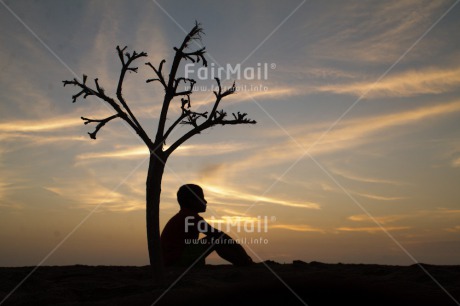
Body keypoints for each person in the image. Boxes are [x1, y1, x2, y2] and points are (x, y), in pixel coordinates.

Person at [161, 184, 254, 267]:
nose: (205, 201)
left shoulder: (184, 216)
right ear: (191, 201)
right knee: (215, 240)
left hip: (171, 260)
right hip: (175, 261)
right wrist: (243, 254)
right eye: (201, 197)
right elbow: (219, 235)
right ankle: (243, 263)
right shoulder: (190, 217)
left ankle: (243, 262)